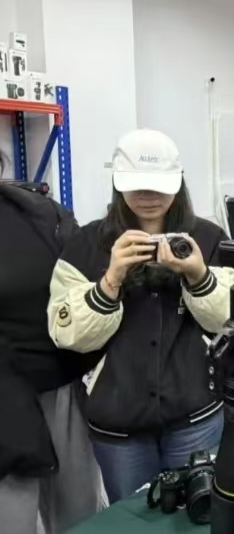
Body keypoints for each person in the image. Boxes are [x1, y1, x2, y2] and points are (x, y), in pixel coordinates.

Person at [47, 130, 234, 503]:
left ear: (178, 182)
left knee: (199, 513)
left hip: (195, 412)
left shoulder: (209, 238)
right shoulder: (86, 245)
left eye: (159, 186)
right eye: (138, 186)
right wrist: (110, 280)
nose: (149, 196)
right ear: (119, 183)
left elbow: (230, 320)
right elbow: (66, 333)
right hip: (118, 423)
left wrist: (199, 276)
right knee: (132, 517)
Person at [0, 155, 106, 532]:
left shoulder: (41, 213)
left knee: (80, 515)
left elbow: (78, 291)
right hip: (6, 407)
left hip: (57, 389)